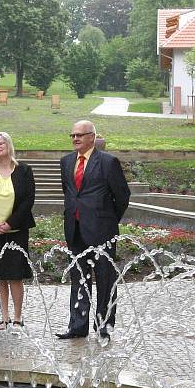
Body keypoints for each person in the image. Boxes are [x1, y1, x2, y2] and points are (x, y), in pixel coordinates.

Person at [56, 120, 130, 341]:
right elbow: (69, 193)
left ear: (92, 137)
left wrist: (107, 220)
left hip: (102, 231)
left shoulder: (108, 162)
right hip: (75, 229)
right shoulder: (66, 161)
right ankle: (78, 326)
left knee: (105, 279)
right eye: (73, 135)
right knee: (79, 278)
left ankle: (105, 325)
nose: (75, 139)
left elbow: (122, 196)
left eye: (80, 135)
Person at [0, 132, 36, 333]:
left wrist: (9, 224)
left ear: (9, 146)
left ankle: (18, 317)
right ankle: (4, 317)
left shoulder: (24, 171)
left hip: (17, 231)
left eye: (1, 143)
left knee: (15, 276)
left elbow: (28, 201)